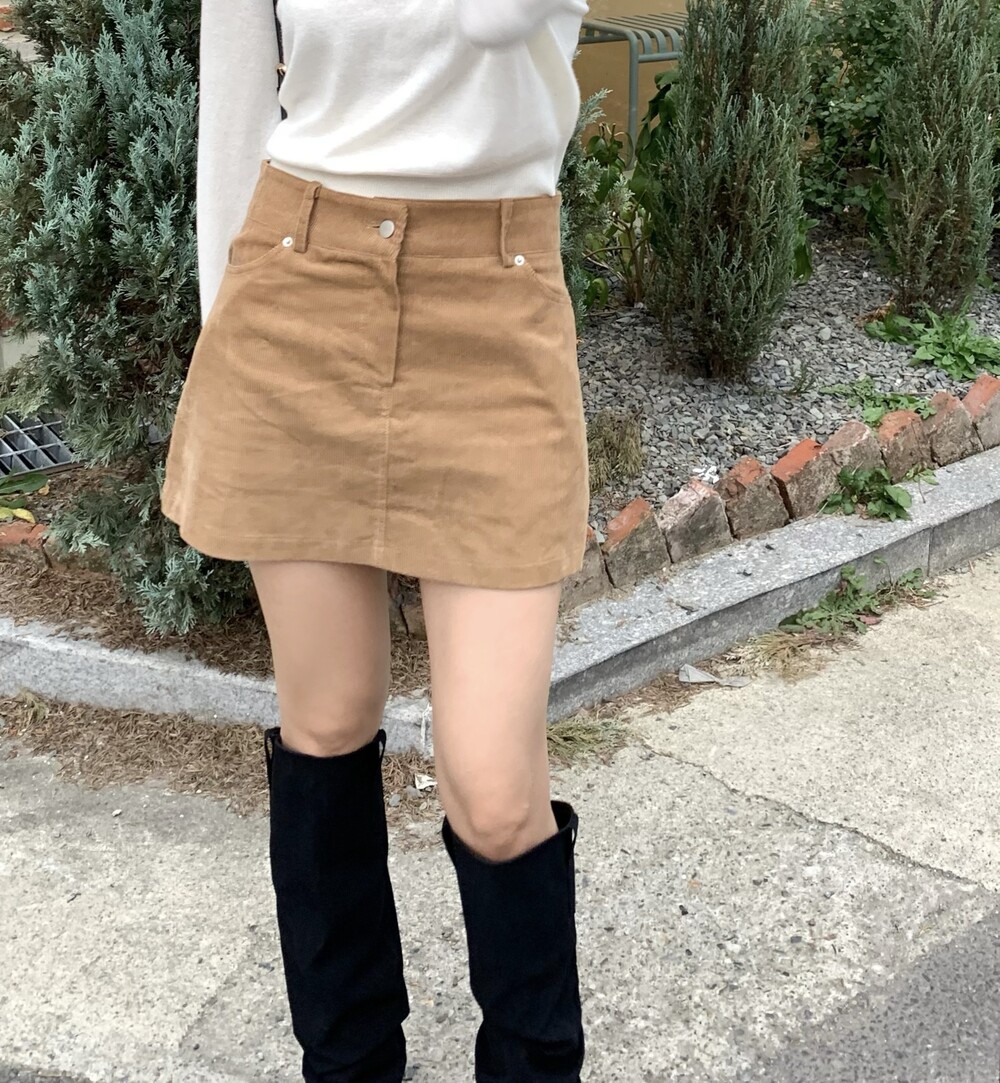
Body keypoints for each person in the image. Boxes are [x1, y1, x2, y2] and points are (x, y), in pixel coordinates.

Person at [160, 1, 592, 1080]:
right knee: (327, 721)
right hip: (295, 286)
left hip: (494, 300)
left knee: (494, 791)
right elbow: (236, 117)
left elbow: (494, 21)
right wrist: (232, 339)